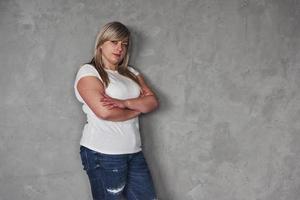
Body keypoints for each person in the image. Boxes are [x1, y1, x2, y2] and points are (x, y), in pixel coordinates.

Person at [74, 21, 159, 200]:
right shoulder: (89, 72)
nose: (120, 48)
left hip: (133, 151)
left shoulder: (131, 72)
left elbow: (152, 102)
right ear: (101, 43)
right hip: (103, 153)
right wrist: (138, 109)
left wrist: (125, 102)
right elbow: (105, 112)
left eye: (124, 44)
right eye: (114, 42)